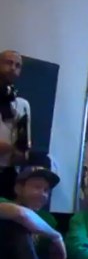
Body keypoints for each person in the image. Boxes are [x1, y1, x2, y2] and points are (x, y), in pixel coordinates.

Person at [0, 50, 31, 199]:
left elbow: (24, 148)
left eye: (17, 65)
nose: (13, 68)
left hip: (9, 174)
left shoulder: (23, 105)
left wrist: (20, 152)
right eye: (8, 62)